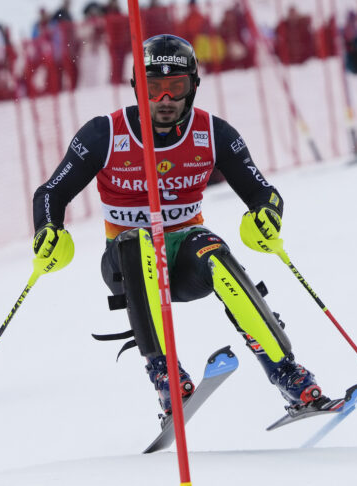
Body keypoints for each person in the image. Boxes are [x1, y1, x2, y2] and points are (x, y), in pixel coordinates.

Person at [31, 34, 335, 418]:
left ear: (193, 87)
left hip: (184, 259)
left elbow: (263, 192)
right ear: (136, 87)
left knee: (214, 251)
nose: (165, 100)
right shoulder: (103, 134)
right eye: (153, 88)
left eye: (175, 88)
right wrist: (48, 229)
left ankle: (286, 374)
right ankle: (165, 374)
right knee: (136, 242)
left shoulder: (213, 133)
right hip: (127, 263)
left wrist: (267, 214)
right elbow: (50, 192)